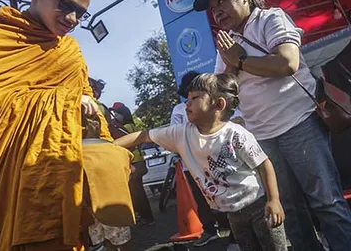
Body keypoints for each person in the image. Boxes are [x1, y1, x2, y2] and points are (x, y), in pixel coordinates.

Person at [0, 0, 134, 251]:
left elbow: (89, 113)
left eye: (81, 13)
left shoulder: (69, 51)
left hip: (67, 177)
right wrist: (63, 102)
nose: (73, 19)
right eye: (65, 5)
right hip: (15, 178)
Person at [193, 0, 351, 251]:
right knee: (290, 210)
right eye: (212, 8)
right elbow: (223, 88)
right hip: (262, 139)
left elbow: (287, 63)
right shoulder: (228, 43)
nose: (216, 12)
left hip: (300, 124)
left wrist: (240, 60)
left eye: (221, 2)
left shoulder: (271, 18)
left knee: (326, 202)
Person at [115, 73, 287, 251]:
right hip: (233, 215)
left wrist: (274, 200)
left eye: (195, 97)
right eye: (187, 98)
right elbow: (144, 135)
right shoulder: (181, 134)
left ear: (219, 104)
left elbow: (264, 164)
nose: (187, 103)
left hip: (259, 207)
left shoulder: (237, 134)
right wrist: (110, 147)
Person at [170, 71, 239, 250]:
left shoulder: (216, 104)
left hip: (217, 161)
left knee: (226, 195)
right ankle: (210, 230)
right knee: (202, 199)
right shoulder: (179, 110)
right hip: (192, 165)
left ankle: (235, 233)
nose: (190, 102)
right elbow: (175, 135)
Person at [111, 102, 155, 226]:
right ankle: (146, 217)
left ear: (123, 114)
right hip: (139, 161)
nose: (115, 116)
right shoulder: (132, 125)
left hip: (134, 163)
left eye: (117, 113)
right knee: (138, 192)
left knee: (137, 194)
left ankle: (147, 218)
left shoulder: (126, 128)